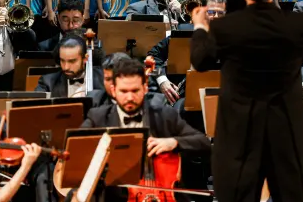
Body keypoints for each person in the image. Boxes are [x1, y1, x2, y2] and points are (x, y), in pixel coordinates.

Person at [190, 0, 303, 202]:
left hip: (240, 131)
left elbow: (200, 61)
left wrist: (200, 27)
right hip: (285, 129)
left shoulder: (226, 26)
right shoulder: (296, 23)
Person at [80, 58, 212, 199]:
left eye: (135, 90)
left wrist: (174, 142)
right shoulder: (98, 117)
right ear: (113, 90)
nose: (130, 97)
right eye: (123, 91)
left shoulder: (164, 115)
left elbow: (202, 142)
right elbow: (78, 150)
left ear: (145, 88)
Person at [148, 0, 226, 105]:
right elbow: (151, 57)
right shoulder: (182, 33)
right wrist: (162, 81)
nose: (216, 17)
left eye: (220, 13)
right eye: (211, 12)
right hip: (183, 97)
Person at [35, 34, 104, 98]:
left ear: (85, 58)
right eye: (62, 60)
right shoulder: (47, 82)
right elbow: (36, 108)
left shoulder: (104, 78)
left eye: (72, 61)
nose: (66, 67)